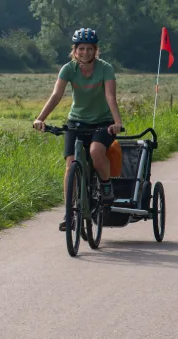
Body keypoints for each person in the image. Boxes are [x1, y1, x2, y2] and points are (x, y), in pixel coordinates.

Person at [33, 27, 123, 232]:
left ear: (96, 50)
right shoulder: (68, 69)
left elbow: (110, 97)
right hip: (77, 122)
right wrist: (40, 119)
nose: (85, 52)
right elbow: (56, 96)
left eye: (90, 48)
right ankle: (69, 212)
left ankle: (106, 186)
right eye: (81, 48)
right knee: (71, 164)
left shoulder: (105, 68)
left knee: (96, 152)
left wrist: (117, 122)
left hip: (102, 122)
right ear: (74, 50)